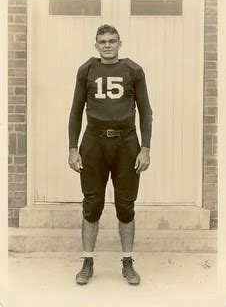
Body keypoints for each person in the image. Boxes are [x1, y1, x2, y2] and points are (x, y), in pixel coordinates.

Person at [68, 24, 153, 286]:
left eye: (112, 41)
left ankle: (127, 262)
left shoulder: (134, 70)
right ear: (96, 45)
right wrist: (72, 148)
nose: (107, 45)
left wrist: (145, 148)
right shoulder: (86, 69)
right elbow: (75, 111)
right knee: (92, 203)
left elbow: (145, 111)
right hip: (93, 140)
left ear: (119, 43)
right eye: (102, 41)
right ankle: (88, 261)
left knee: (125, 205)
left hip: (126, 141)